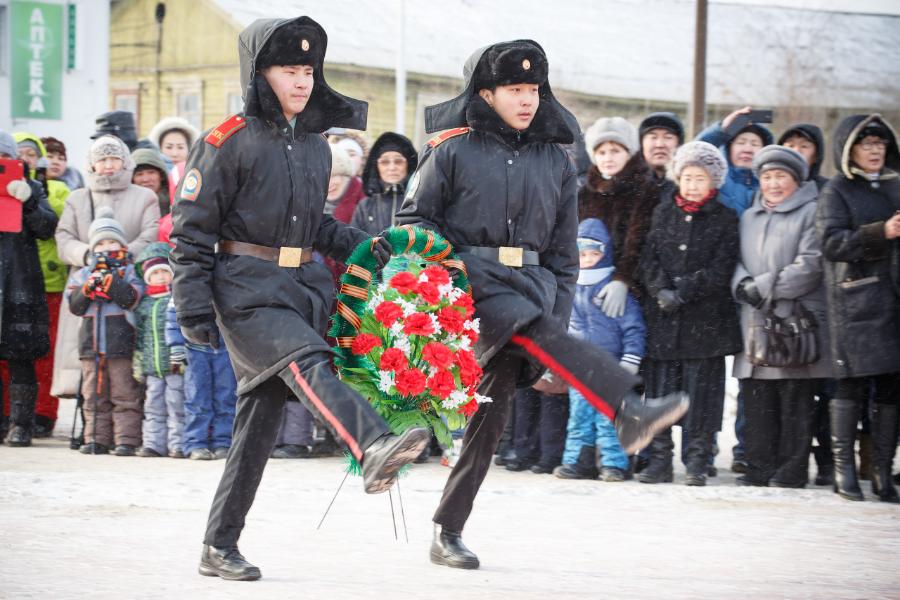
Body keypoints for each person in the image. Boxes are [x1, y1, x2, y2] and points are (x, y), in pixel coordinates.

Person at [396, 39, 688, 569]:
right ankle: (625, 406)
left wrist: (554, 321)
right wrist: (444, 279)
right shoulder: (451, 148)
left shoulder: (556, 158)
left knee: (490, 422)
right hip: (469, 281)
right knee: (510, 335)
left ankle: (447, 529)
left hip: (530, 292)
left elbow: (563, 252)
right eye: (515, 89)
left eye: (533, 89)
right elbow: (412, 222)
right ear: (486, 93)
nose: (527, 99)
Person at [170, 16, 431, 581]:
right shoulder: (226, 141)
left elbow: (311, 223)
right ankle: (373, 445)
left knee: (257, 429)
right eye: (290, 69)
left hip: (299, 285)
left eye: (309, 70)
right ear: (261, 74)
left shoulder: (316, 146)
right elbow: (190, 230)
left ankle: (218, 545)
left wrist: (363, 244)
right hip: (242, 287)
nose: (302, 80)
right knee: (308, 360)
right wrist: (191, 303)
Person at [638, 141, 741, 486]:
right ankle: (660, 459)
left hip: (706, 322)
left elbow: (722, 266)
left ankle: (697, 459)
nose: (693, 185)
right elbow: (648, 256)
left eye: (700, 178)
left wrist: (683, 291)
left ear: (713, 182)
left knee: (703, 397)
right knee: (662, 394)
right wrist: (660, 289)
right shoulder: (662, 211)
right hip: (664, 320)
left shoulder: (726, 218)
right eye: (687, 177)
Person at [731, 145, 831, 487]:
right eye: (767, 176)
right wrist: (742, 283)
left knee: (794, 401)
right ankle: (758, 467)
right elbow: (737, 259)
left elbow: (810, 265)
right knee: (757, 400)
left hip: (793, 323)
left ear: (797, 180)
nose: (773, 184)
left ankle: (791, 470)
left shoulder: (812, 212)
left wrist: (764, 286)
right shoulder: (749, 215)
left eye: (781, 176)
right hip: (755, 322)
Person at [817, 114, 900, 503]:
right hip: (856, 301)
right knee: (850, 383)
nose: (874, 151)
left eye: (880, 144)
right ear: (849, 149)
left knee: (890, 387)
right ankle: (843, 471)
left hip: (895, 302)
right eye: (867, 144)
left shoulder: (897, 185)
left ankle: (883, 473)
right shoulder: (838, 189)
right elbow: (831, 243)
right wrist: (879, 233)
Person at [52, 135, 159, 402]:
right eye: (102, 160)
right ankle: (90, 421)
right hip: (86, 283)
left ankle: (127, 425)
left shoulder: (144, 196)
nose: (109, 165)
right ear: (92, 164)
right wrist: (89, 255)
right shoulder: (77, 199)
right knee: (86, 358)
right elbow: (63, 237)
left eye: (114, 158)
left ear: (125, 161)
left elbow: (150, 234)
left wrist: (119, 258)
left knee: (128, 361)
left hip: (128, 282)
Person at [697, 106, 774, 473]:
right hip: (715, 287)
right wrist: (721, 129)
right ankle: (705, 446)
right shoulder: (722, 180)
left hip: (753, 290)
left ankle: (745, 448)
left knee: (751, 374)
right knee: (710, 377)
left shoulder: (770, 184)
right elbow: (699, 152)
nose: (746, 148)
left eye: (755, 142)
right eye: (740, 141)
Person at [555, 218, 645, 481]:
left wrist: (631, 358)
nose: (587, 259)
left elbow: (633, 328)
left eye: (593, 254)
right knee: (579, 418)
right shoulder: (571, 288)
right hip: (581, 369)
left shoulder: (615, 290)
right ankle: (577, 461)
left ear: (604, 254)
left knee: (610, 419)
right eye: (582, 254)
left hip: (611, 366)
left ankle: (614, 464)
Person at [65, 207, 143, 455]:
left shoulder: (129, 270)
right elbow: (75, 306)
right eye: (100, 244)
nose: (106, 248)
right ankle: (96, 438)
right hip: (90, 345)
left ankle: (126, 439)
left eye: (112, 242)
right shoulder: (82, 274)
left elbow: (132, 298)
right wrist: (87, 289)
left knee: (124, 392)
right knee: (93, 394)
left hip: (121, 342)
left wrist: (113, 283)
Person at [0, 131, 58, 446]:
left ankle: (21, 425)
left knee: (21, 356)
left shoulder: (32, 187)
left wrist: (29, 201)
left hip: (18, 283)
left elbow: (48, 227)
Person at [12, 133, 70, 438]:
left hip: (46, 281)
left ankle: (42, 413)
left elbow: (50, 227)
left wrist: (31, 199)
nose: (24, 159)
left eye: (31, 154)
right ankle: (11, 414)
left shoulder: (53, 188)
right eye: (18, 152)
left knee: (43, 353)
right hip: (8, 283)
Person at [579, 116, 660, 311]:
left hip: (629, 289)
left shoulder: (645, 189)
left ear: (629, 153)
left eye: (615, 151)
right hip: (586, 284)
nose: (608, 158)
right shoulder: (585, 193)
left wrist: (623, 279)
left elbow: (639, 241)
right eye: (602, 152)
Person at [164, 295, 235, 460]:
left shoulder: (228, 282)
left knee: (226, 397)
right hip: (196, 350)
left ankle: (222, 442)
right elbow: (173, 318)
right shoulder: (187, 280)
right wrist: (176, 346)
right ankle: (196, 443)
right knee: (197, 399)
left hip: (226, 350)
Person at [134, 242, 185, 458]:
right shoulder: (144, 304)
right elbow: (140, 335)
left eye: (166, 271)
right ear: (147, 277)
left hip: (174, 365)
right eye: (156, 273)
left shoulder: (177, 301)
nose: (162, 276)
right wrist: (138, 361)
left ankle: (177, 444)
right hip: (152, 366)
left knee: (177, 404)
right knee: (153, 405)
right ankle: (153, 443)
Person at [351, 132, 419, 236]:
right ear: (376, 167)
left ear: (408, 165)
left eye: (398, 161)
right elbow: (356, 245)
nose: (392, 168)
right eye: (385, 162)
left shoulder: (419, 201)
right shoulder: (365, 207)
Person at [639, 112, 684, 197]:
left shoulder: (689, 187)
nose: (660, 144)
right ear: (642, 144)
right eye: (653, 137)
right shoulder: (627, 185)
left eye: (668, 137)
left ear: (679, 144)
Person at [778, 123, 829, 191]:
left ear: (816, 156)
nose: (796, 151)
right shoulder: (769, 185)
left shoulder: (827, 189)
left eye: (804, 146)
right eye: (790, 146)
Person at [131, 148, 171, 217]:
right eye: (139, 174)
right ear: (132, 180)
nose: (146, 179)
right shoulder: (125, 204)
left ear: (161, 176)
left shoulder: (175, 204)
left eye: (151, 172)